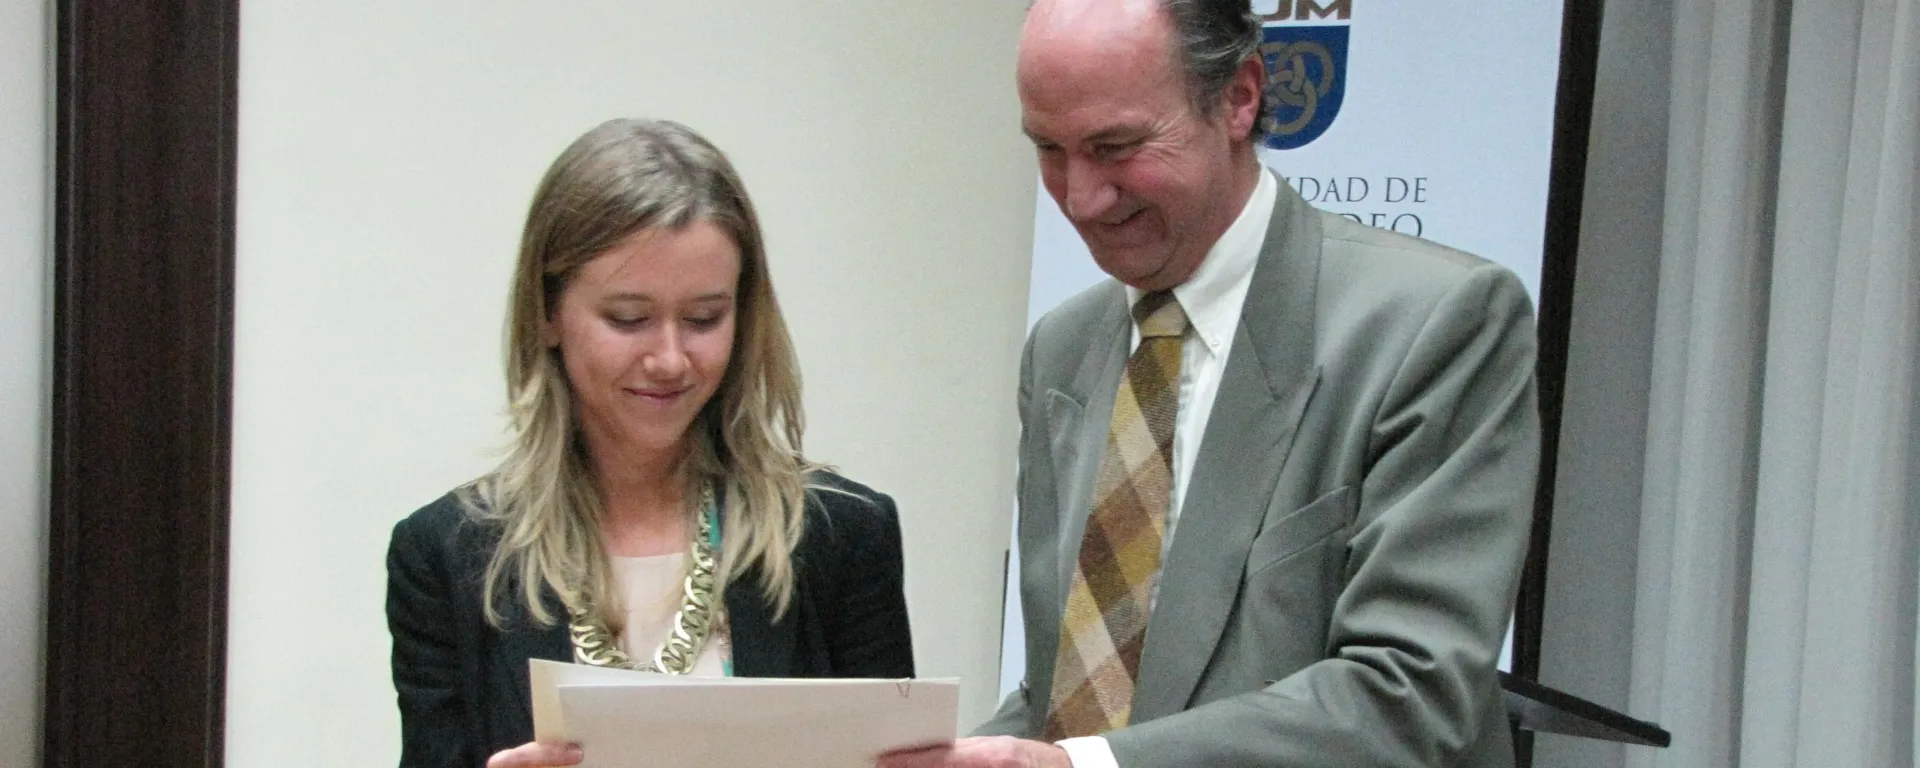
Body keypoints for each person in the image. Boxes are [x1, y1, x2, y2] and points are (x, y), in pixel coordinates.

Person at [880, 0, 1537, 766]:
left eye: (1116, 146)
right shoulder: (1064, 350)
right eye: (1050, 150)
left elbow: (1413, 698)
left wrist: (1080, 766)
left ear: (1240, 97)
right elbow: (1074, 688)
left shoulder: (1432, 325)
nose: (1082, 197)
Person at [386, 118, 914, 768]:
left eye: (703, 319)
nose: (669, 359)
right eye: (628, 319)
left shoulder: (841, 536)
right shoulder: (446, 556)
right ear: (547, 313)